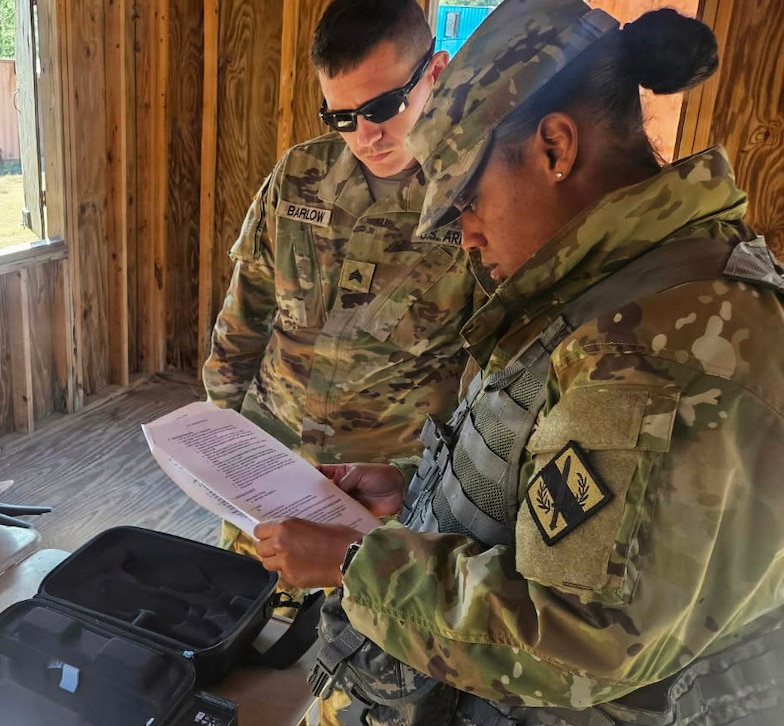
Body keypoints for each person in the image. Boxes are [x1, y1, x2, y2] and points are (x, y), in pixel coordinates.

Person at [253, 1, 784, 724]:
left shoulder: (656, 354)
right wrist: (412, 491)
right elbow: (548, 493)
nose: (467, 238)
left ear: (556, 148)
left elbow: (575, 640)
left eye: (470, 200)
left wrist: (354, 563)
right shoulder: (614, 293)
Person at [203, 0, 479, 577]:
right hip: (271, 464)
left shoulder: (475, 198)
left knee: (357, 652)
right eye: (341, 116)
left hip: (385, 495)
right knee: (247, 628)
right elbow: (246, 310)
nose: (366, 135)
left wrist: (431, 482)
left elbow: (493, 374)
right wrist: (219, 434)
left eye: (383, 107)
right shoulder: (301, 173)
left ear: (435, 71)